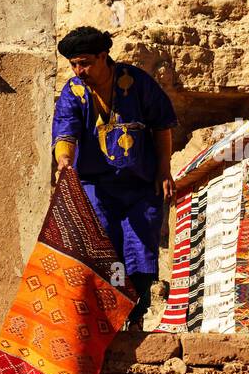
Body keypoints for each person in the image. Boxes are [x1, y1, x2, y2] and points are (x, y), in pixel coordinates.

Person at [52, 26, 177, 330]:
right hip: (97, 186)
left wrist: (163, 171)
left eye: (84, 63)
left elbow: (162, 126)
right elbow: (65, 132)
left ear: (103, 56)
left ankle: (136, 315)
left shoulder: (136, 83)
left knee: (139, 247)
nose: (79, 70)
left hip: (140, 185)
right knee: (103, 244)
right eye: (73, 65)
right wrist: (64, 163)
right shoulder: (74, 92)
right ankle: (105, 317)